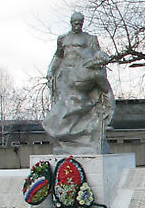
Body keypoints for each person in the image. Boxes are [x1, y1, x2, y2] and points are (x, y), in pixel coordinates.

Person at [42, 12, 114, 154]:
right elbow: (57, 56)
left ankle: (79, 136)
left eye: (79, 22)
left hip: (82, 75)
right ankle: (64, 139)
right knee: (63, 107)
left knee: (75, 106)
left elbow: (98, 56)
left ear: (83, 22)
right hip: (65, 76)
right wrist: (51, 71)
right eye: (75, 22)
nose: (77, 25)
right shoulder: (62, 39)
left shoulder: (89, 39)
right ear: (71, 22)